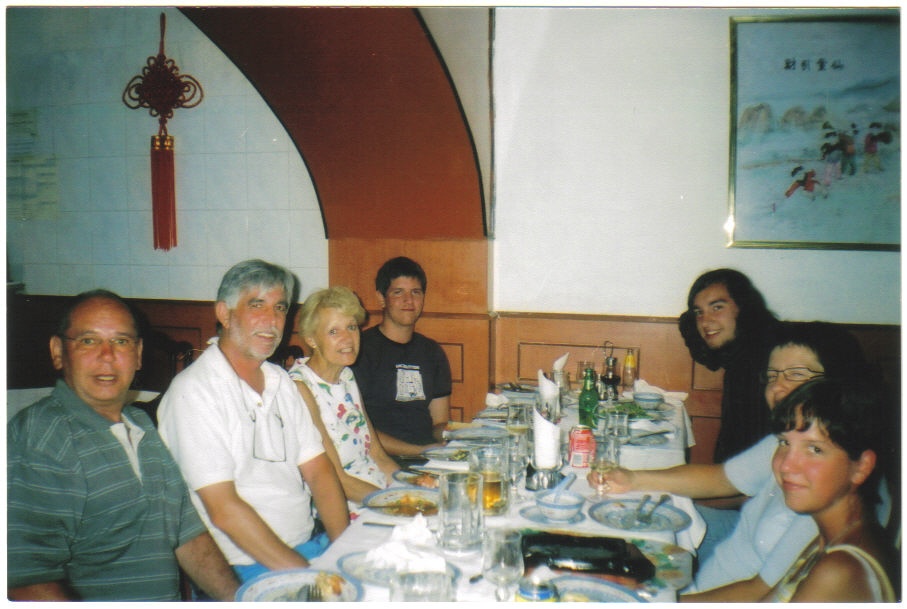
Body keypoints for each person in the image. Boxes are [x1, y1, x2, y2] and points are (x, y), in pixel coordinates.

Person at [590, 322, 868, 601]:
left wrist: (655, 602)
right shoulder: (786, 441)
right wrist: (632, 479)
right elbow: (721, 478)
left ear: (837, 382)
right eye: (772, 376)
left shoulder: (833, 487)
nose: (778, 387)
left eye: (796, 374)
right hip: (714, 570)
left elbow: (760, 592)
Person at [8, 290, 238, 601]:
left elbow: (189, 537)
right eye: (88, 340)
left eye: (121, 341)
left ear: (138, 354)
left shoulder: (141, 425)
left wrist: (241, 600)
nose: (107, 355)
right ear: (58, 351)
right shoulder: (42, 436)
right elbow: (24, 580)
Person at [158, 260, 350, 583]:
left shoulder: (281, 381)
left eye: (280, 308)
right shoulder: (193, 391)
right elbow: (224, 510)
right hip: (246, 568)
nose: (272, 320)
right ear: (224, 313)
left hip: (309, 547)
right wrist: (312, 579)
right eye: (257, 305)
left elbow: (319, 472)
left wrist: (345, 553)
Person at [763, 379, 895, 602]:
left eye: (814, 449)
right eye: (784, 443)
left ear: (861, 467)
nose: (786, 465)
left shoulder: (839, 570)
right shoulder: (834, 538)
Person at [288, 286, 400, 511]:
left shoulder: (346, 375)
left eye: (351, 327)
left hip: (377, 494)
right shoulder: (300, 388)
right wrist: (400, 503)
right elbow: (335, 479)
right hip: (345, 507)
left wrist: (414, 487)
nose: (348, 338)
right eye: (333, 331)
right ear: (311, 339)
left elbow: (377, 454)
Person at [679, 268, 782, 463]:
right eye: (699, 312)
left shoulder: (766, 359)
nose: (705, 322)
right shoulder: (741, 352)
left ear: (744, 307)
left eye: (717, 307)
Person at [352, 256, 452, 456]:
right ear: (381, 298)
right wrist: (419, 451)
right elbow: (358, 428)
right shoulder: (359, 350)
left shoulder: (432, 352)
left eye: (416, 292)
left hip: (427, 456)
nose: (409, 300)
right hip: (379, 458)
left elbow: (439, 422)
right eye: (398, 292)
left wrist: (453, 437)